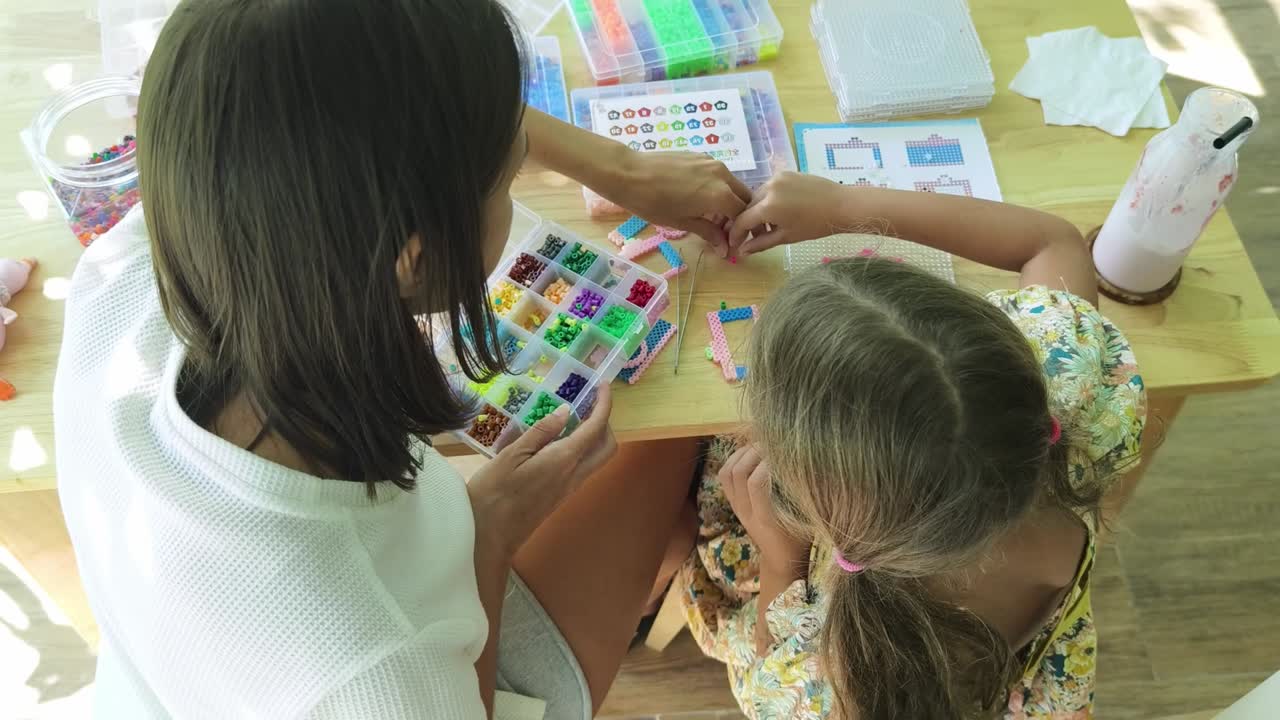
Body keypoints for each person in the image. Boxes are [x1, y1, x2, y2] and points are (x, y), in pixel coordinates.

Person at [52, 0, 745, 717]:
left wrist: (620, 167)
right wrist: (484, 540)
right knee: (670, 444)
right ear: (415, 257)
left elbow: (375, 104)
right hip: (440, 663)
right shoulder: (376, 676)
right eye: (504, 184)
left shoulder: (129, 274)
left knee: (662, 503)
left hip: (243, 651)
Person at [677, 172, 1147, 719]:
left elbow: (771, 678)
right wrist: (842, 204)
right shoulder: (1072, 380)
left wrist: (784, 561)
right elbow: (1053, 242)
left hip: (817, 609)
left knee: (689, 508)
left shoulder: (830, 680)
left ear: (824, 503)